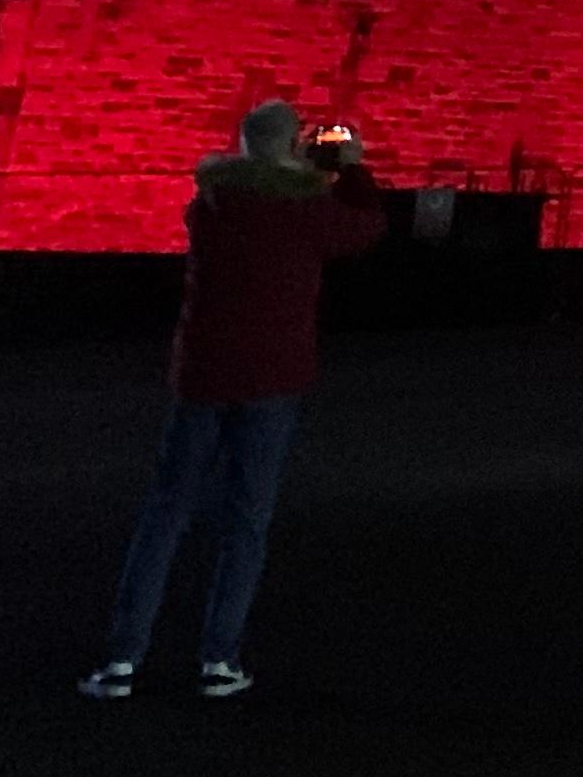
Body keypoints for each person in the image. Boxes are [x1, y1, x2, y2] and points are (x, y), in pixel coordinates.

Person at [80, 100, 388, 701]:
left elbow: (255, 189)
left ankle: (121, 660)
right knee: (246, 522)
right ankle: (218, 661)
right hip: (272, 381)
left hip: (201, 377)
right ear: (290, 145)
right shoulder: (305, 209)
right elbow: (367, 227)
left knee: (165, 515)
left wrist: (286, 163)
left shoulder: (211, 205)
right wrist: (348, 164)